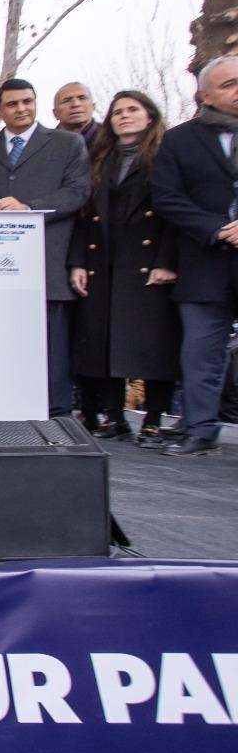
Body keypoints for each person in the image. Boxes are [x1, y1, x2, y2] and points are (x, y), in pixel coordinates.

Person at [0, 78, 91, 418]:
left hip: (47, 261)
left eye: (27, 101)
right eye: (12, 104)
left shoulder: (67, 144)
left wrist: (29, 208)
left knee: (51, 343)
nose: (21, 109)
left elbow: (77, 193)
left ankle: (56, 415)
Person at [67, 90, 181, 445]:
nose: (124, 116)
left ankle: (153, 419)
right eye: (117, 112)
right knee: (104, 343)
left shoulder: (165, 156)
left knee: (154, 344)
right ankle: (114, 417)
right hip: (103, 261)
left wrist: (166, 262)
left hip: (147, 263)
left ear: (150, 116)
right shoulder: (99, 159)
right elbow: (83, 214)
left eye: (132, 110)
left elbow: (174, 215)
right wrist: (77, 261)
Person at [150, 54, 238, 457]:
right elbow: (167, 198)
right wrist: (216, 228)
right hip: (205, 262)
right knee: (201, 353)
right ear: (205, 95)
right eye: (228, 85)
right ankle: (201, 430)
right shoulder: (179, 140)